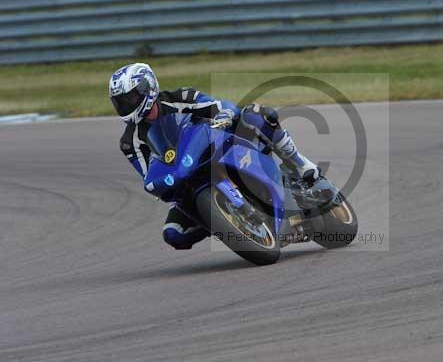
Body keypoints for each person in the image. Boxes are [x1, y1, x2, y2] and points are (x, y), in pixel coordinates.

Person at [109, 63, 327, 250]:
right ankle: (228, 222)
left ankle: (299, 164)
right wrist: (160, 185)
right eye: (121, 102)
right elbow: (149, 175)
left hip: (219, 145)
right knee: (174, 234)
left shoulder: (180, 98)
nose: (127, 105)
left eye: (131, 98)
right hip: (186, 177)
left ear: (149, 87)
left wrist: (224, 114)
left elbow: (221, 106)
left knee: (255, 114)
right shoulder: (130, 142)